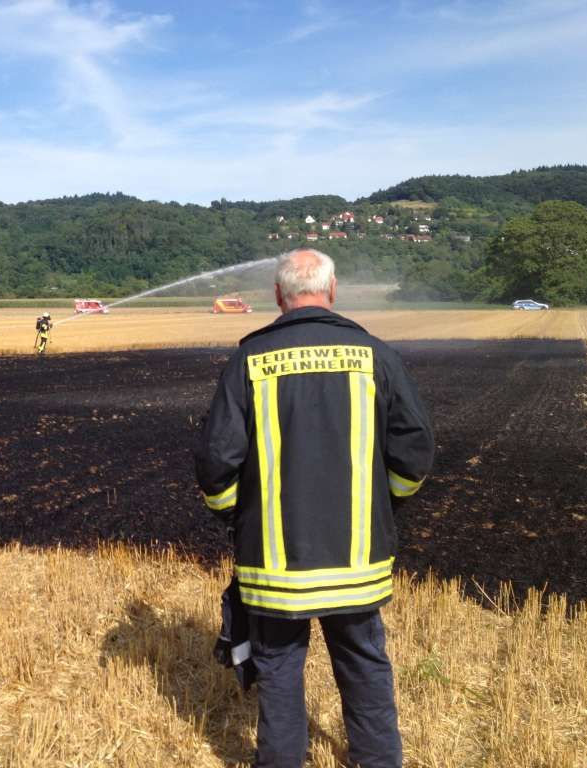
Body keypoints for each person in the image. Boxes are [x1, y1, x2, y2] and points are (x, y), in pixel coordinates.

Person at [194, 248, 434, 768]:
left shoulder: (249, 360)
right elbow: (414, 452)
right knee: (364, 662)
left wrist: (235, 516)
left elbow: (217, 461)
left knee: (278, 669)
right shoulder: (375, 355)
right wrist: (385, 504)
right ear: (333, 289)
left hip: (275, 565)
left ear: (279, 296)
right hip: (359, 560)